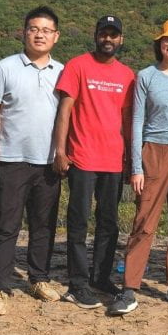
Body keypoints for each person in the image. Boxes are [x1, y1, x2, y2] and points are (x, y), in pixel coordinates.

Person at [107, 19, 168, 315]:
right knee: (144, 220)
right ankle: (129, 287)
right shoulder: (146, 76)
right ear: (159, 43)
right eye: (167, 40)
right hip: (153, 152)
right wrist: (136, 167)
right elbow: (136, 122)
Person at [0, 6, 64, 316]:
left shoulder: (62, 71)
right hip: (12, 158)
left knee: (43, 226)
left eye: (46, 30)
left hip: (49, 161)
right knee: (7, 226)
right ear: (24, 32)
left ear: (56, 36)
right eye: (33, 28)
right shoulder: (6, 67)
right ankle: (0, 288)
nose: (39, 34)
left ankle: (38, 279)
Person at [53, 15, 134, 309]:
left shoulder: (127, 75)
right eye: (104, 34)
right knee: (79, 220)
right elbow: (64, 110)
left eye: (114, 34)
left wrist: (130, 159)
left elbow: (127, 119)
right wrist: (60, 151)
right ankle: (77, 283)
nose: (108, 39)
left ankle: (101, 276)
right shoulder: (77, 66)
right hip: (82, 155)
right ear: (96, 35)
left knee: (109, 222)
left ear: (120, 39)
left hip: (113, 159)